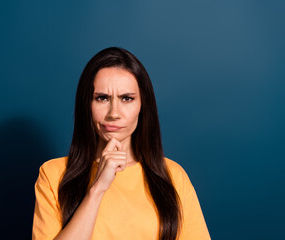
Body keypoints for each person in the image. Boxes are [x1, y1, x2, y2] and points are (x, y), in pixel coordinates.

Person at [32, 47, 211, 240]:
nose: (114, 113)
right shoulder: (53, 175)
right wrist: (97, 188)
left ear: (142, 106)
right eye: (102, 98)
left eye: (127, 98)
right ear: (87, 105)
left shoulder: (173, 177)